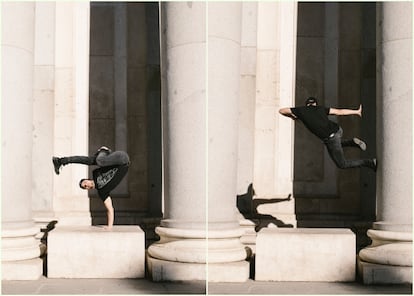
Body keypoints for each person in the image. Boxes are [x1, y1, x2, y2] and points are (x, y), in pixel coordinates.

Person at [279, 97, 377, 171]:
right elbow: (339, 112)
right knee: (333, 144)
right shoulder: (321, 108)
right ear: (315, 104)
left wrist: (293, 116)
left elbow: (282, 110)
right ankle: (352, 142)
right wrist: (356, 112)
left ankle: (369, 162)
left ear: (306, 105)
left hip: (330, 138)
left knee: (342, 164)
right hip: (338, 130)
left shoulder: (301, 110)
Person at [52, 146, 130, 229]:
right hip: (123, 163)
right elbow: (110, 209)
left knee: (94, 161)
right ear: (87, 189)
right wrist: (109, 227)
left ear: (88, 179)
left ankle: (103, 151)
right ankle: (60, 161)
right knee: (96, 160)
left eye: (85, 182)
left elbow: (84, 160)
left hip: (120, 157)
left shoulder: (96, 173)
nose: (86, 185)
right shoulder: (102, 192)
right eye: (85, 187)